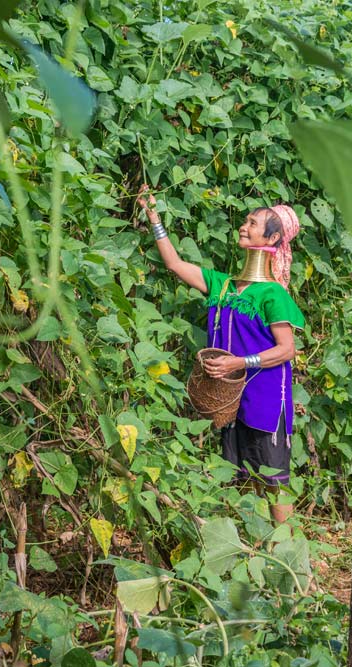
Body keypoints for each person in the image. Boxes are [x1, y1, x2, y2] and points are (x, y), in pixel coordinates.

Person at [137, 184, 305, 523]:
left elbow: (287, 350)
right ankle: (249, 546)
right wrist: (153, 217)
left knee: (274, 481)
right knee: (240, 477)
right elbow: (173, 262)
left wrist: (240, 362)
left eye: (253, 224)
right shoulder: (223, 284)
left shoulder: (273, 294)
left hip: (267, 399)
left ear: (272, 240)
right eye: (245, 221)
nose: (244, 227)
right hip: (230, 398)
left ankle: (287, 556)